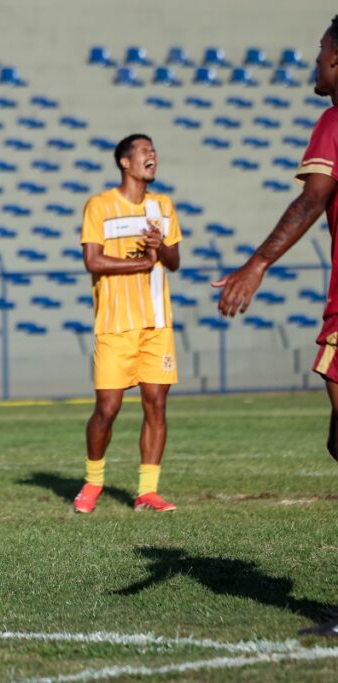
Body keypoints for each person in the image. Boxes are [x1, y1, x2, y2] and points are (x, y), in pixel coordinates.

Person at [213, 15, 338, 637]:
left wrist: (256, 262)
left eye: (320, 54)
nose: (314, 65)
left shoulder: (335, 120)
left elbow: (314, 197)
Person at [72, 133, 182, 515]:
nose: (152, 155)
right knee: (108, 407)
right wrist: (139, 262)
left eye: (154, 149)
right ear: (124, 162)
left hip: (156, 323)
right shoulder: (100, 205)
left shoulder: (162, 206)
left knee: (156, 405)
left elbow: (173, 261)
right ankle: (93, 481)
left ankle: (147, 492)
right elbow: (93, 261)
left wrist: (158, 247)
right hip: (115, 324)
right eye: (144, 151)